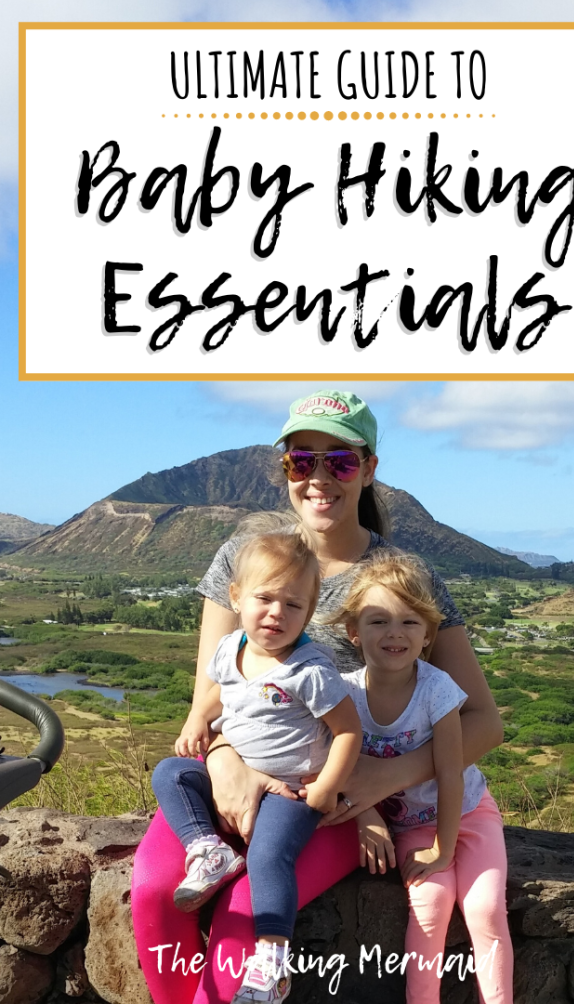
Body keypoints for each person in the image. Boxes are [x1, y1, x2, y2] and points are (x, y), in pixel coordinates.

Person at [131, 389, 504, 1004]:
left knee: (245, 925)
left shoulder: (402, 578)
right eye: (302, 461)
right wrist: (226, 764)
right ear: (285, 470)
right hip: (234, 776)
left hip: (327, 799)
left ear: (370, 469)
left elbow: (482, 720)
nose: (319, 478)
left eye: (341, 461)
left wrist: (378, 785)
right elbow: (210, 697)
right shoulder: (245, 558)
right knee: (151, 894)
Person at [150, 530, 361, 1003]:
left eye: (294, 605)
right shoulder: (232, 648)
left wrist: (327, 788)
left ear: (309, 612)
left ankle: (272, 961)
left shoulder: (309, 671)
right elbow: (213, 691)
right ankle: (209, 850)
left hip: (291, 789)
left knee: (269, 857)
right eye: (265, 598)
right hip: (238, 773)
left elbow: (349, 732)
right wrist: (196, 721)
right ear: (236, 597)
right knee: (170, 773)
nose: (277, 614)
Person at [332, 554, 513, 1004]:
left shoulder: (437, 690)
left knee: (486, 908)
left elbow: (450, 773)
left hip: (468, 813)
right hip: (411, 825)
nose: (395, 632)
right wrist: (365, 817)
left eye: (410, 622)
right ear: (354, 632)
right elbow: (335, 770)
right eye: (378, 621)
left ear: (429, 634)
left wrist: (444, 849)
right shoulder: (345, 694)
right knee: (430, 908)